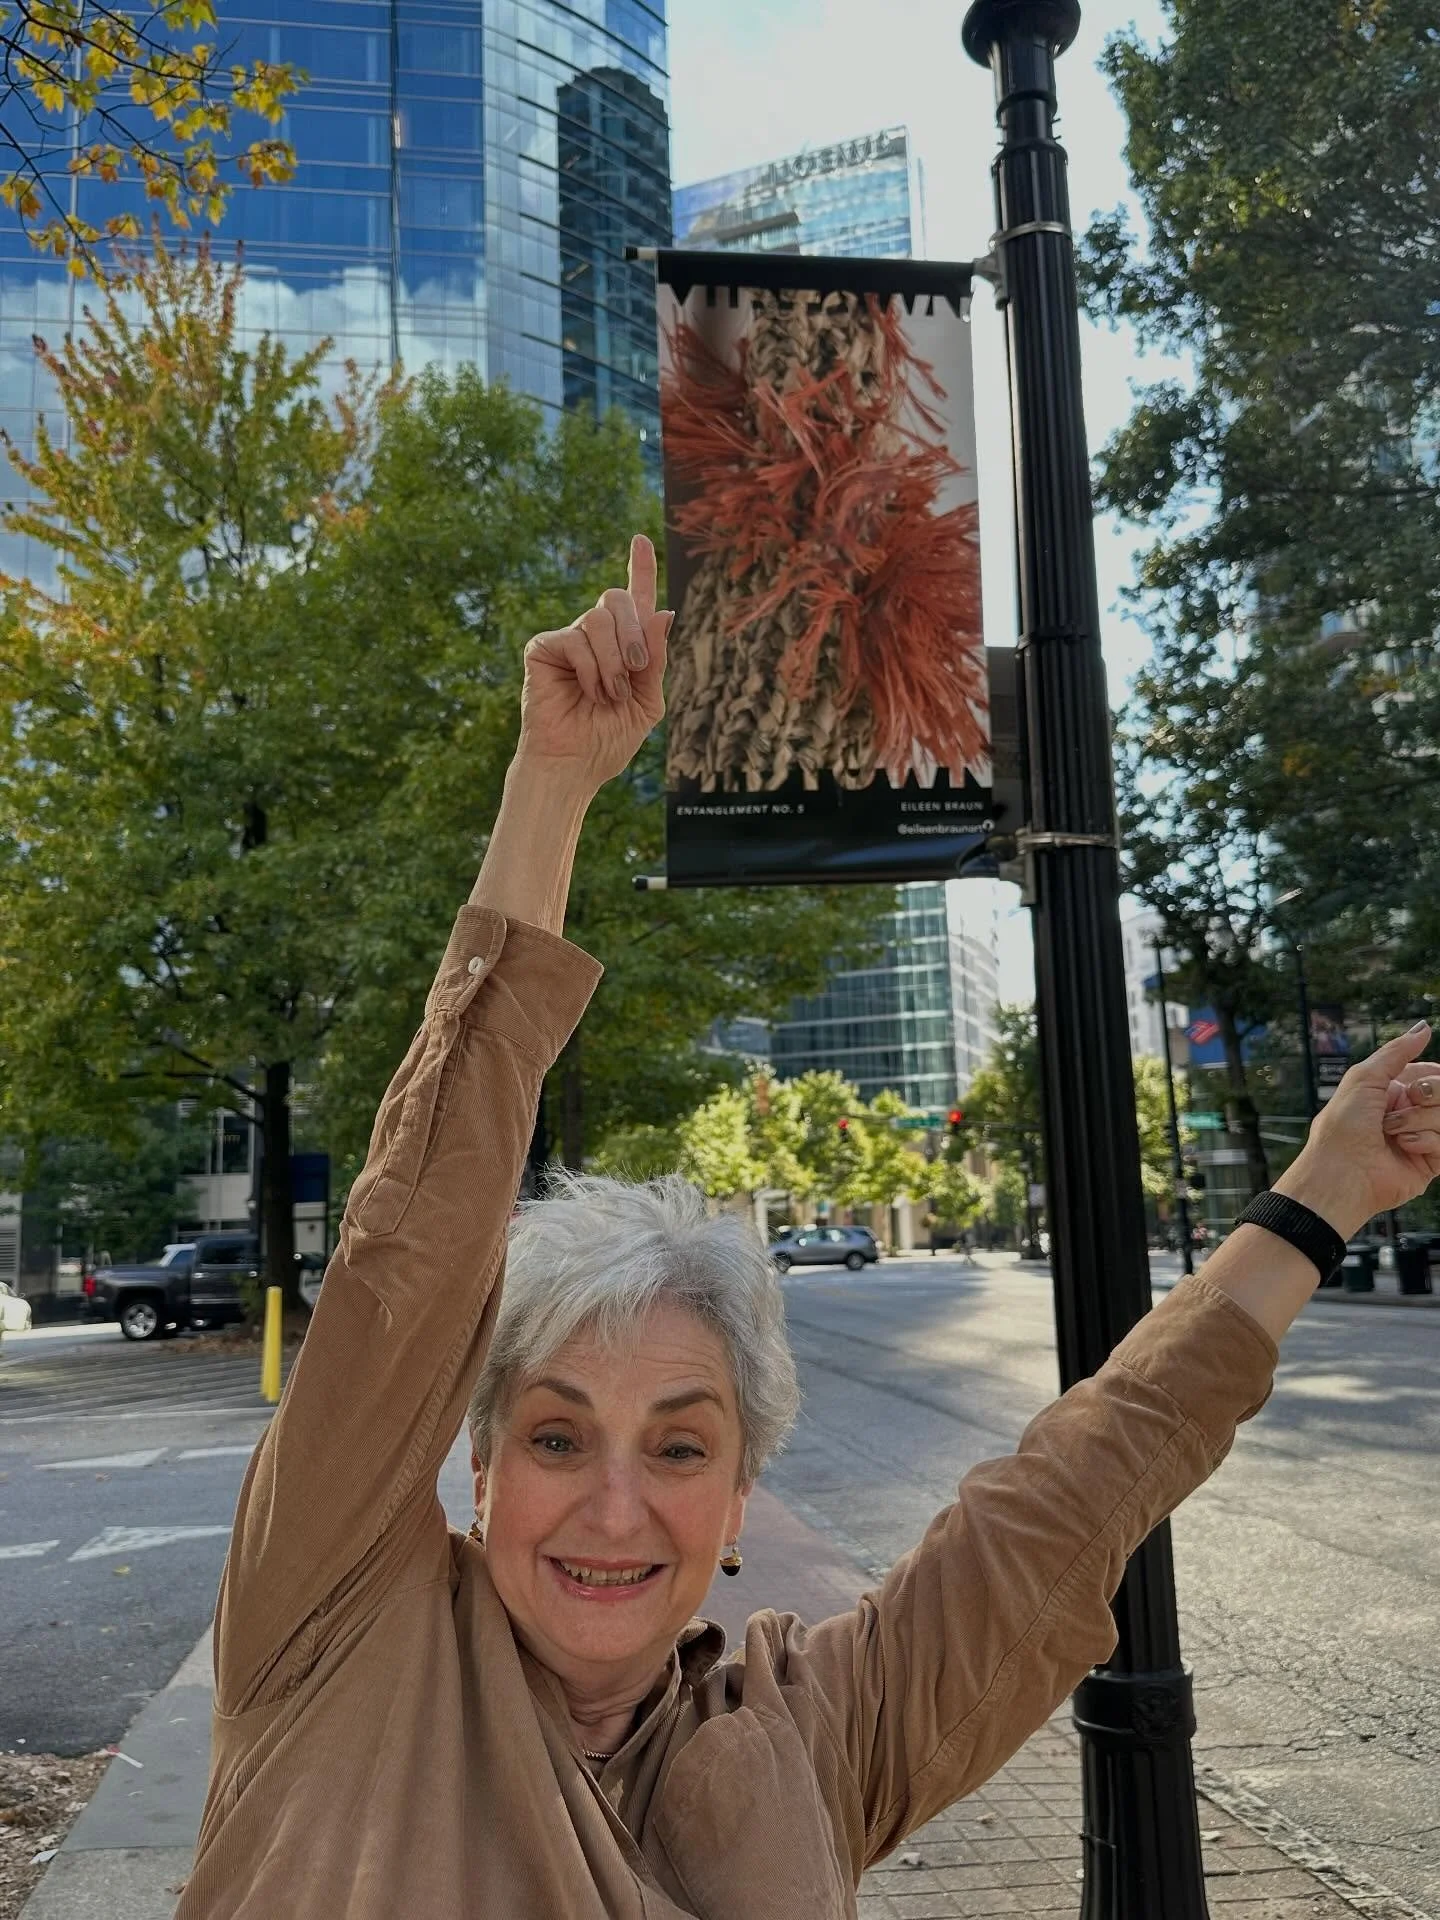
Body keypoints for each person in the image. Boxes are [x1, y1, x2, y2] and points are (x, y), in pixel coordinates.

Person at [177, 536, 1440, 1919]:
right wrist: (550, 787)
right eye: (553, 1435)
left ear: (736, 1507)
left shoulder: (812, 1732)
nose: (614, 1504)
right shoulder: (336, 1619)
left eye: (679, 1445)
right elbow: (410, 1253)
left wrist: (1325, 1195)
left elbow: (1076, 1493)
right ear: (475, 1467)